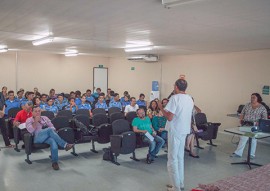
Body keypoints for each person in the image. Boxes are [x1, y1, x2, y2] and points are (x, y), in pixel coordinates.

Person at [158, 79, 194, 191]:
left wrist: (160, 107)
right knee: (179, 158)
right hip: (184, 131)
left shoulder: (175, 98)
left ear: (176, 87)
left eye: (174, 85)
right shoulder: (190, 98)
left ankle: (176, 187)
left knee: (172, 159)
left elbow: (169, 117)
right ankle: (180, 183)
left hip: (175, 131)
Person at [25, 106, 74, 170]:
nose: (37, 113)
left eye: (39, 111)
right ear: (32, 112)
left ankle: (55, 162)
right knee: (49, 130)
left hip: (47, 137)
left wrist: (49, 130)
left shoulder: (45, 118)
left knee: (53, 142)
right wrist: (36, 122)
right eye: (35, 111)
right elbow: (30, 130)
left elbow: (53, 127)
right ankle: (65, 145)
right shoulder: (29, 120)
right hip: (37, 138)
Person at [231, 93, 267, 159]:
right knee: (243, 138)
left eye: (254, 97)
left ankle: (251, 155)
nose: (252, 99)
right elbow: (242, 113)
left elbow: (264, 118)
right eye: (251, 97)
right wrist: (241, 119)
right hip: (246, 124)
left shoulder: (262, 107)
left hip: (255, 126)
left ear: (258, 98)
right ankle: (238, 153)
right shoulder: (247, 105)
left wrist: (259, 123)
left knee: (253, 140)